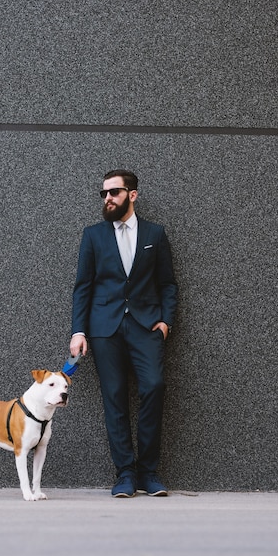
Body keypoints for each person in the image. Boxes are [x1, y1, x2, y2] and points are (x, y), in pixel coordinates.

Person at [70, 169, 177, 498]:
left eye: (114, 192)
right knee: (114, 398)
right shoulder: (93, 235)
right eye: (104, 193)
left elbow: (168, 283)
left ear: (132, 194)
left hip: (146, 326)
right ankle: (125, 474)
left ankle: (148, 472)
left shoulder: (155, 234)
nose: (107, 199)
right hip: (105, 329)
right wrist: (79, 330)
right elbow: (82, 287)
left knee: (154, 386)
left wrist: (166, 322)